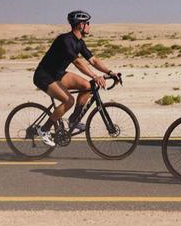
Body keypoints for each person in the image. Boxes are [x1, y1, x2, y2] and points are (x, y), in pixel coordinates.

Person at [32, 11, 118, 146]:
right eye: (87, 23)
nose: (89, 26)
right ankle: (44, 129)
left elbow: (93, 61)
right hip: (44, 76)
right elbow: (78, 63)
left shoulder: (79, 42)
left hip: (58, 74)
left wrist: (110, 72)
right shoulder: (65, 40)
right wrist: (95, 76)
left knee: (88, 86)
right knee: (68, 100)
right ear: (80, 25)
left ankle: (73, 120)